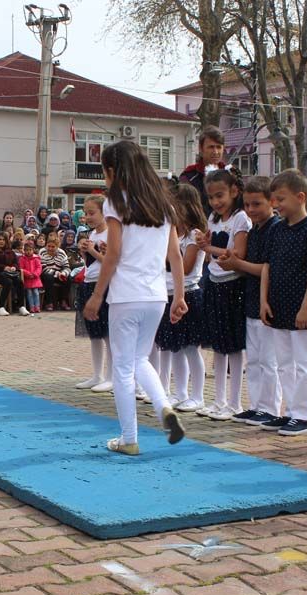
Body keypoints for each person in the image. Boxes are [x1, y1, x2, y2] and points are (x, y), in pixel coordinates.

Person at [82, 140, 187, 455]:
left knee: (123, 368)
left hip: (126, 295)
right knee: (140, 359)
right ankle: (164, 406)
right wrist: (179, 296)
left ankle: (129, 439)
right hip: (156, 296)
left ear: (113, 171)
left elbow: (112, 254)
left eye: (104, 172)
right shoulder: (164, 203)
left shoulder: (116, 202)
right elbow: (176, 257)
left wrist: (97, 295)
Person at [257, 169, 307, 436]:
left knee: (304, 362)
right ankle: (288, 411)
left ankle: (302, 414)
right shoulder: (278, 230)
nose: (277, 205)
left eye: (281, 199)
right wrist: (264, 300)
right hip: (278, 304)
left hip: (301, 308)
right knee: (284, 362)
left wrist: (306, 306)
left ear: (300, 197)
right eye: (274, 199)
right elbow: (267, 267)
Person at [215, 176, 281, 426]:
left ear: (271, 202)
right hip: (250, 299)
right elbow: (246, 266)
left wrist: (236, 264)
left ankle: (271, 408)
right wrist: (231, 262)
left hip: (268, 302)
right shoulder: (254, 231)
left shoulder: (275, 229)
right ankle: (256, 405)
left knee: (268, 360)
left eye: (257, 204)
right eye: (248, 205)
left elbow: (266, 268)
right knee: (253, 358)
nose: (251, 210)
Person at [198, 169, 251, 420]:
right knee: (218, 345)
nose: (215, 202)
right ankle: (218, 400)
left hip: (233, 285)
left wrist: (208, 247)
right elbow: (212, 255)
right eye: (211, 197)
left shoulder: (241, 219)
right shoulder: (214, 219)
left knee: (234, 346)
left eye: (220, 196)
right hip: (215, 283)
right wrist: (206, 247)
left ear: (234, 191)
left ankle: (235, 402)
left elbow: (237, 254)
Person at [156, 183, 207, 412]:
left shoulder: (195, 236)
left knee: (190, 348)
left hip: (189, 294)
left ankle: (198, 395)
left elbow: (185, 268)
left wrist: (167, 260)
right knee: (175, 347)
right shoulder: (178, 234)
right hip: (170, 293)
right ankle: (181, 392)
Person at [73, 194, 114, 392]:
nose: (88, 217)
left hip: (104, 285)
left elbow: (110, 262)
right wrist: (84, 251)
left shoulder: (110, 234)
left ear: (104, 212)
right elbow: (90, 262)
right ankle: (97, 374)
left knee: (107, 334)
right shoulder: (92, 235)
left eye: (92, 213)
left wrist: (93, 251)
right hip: (89, 282)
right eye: (86, 213)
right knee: (94, 334)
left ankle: (110, 376)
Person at [179, 125, 229, 215]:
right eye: (211, 147)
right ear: (200, 149)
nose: (215, 152)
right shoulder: (188, 177)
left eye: (218, 147)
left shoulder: (230, 175)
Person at [0, 232, 29, 316]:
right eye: (0, 239)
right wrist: (3, 267)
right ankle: (0, 307)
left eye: (4, 240)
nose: (1, 241)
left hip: (10, 274)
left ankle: (21, 307)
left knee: (20, 282)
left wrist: (13, 267)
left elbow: (16, 263)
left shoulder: (10, 251)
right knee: (8, 282)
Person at [40, 234, 71, 311]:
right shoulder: (42, 252)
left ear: (57, 247)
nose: (50, 248)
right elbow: (43, 268)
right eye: (48, 246)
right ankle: (49, 302)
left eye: (53, 247)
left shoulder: (62, 253)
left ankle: (63, 301)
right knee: (49, 276)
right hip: (46, 274)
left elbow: (67, 267)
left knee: (68, 278)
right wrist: (58, 274)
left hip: (59, 274)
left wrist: (63, 274)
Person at [21, 239, 44, 317]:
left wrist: (34, 274)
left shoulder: (36, 258)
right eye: (26, 250)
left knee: (36, 293)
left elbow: (39, 268)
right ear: (24, 250)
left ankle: (37, 306)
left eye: (30, 250)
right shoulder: (22, 259)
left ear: (33, 250)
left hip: (35, 279)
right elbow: (21, 268)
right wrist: (28, 274)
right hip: (27, 279)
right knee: (29, 293)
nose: (28, 252)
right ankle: (31, 307)